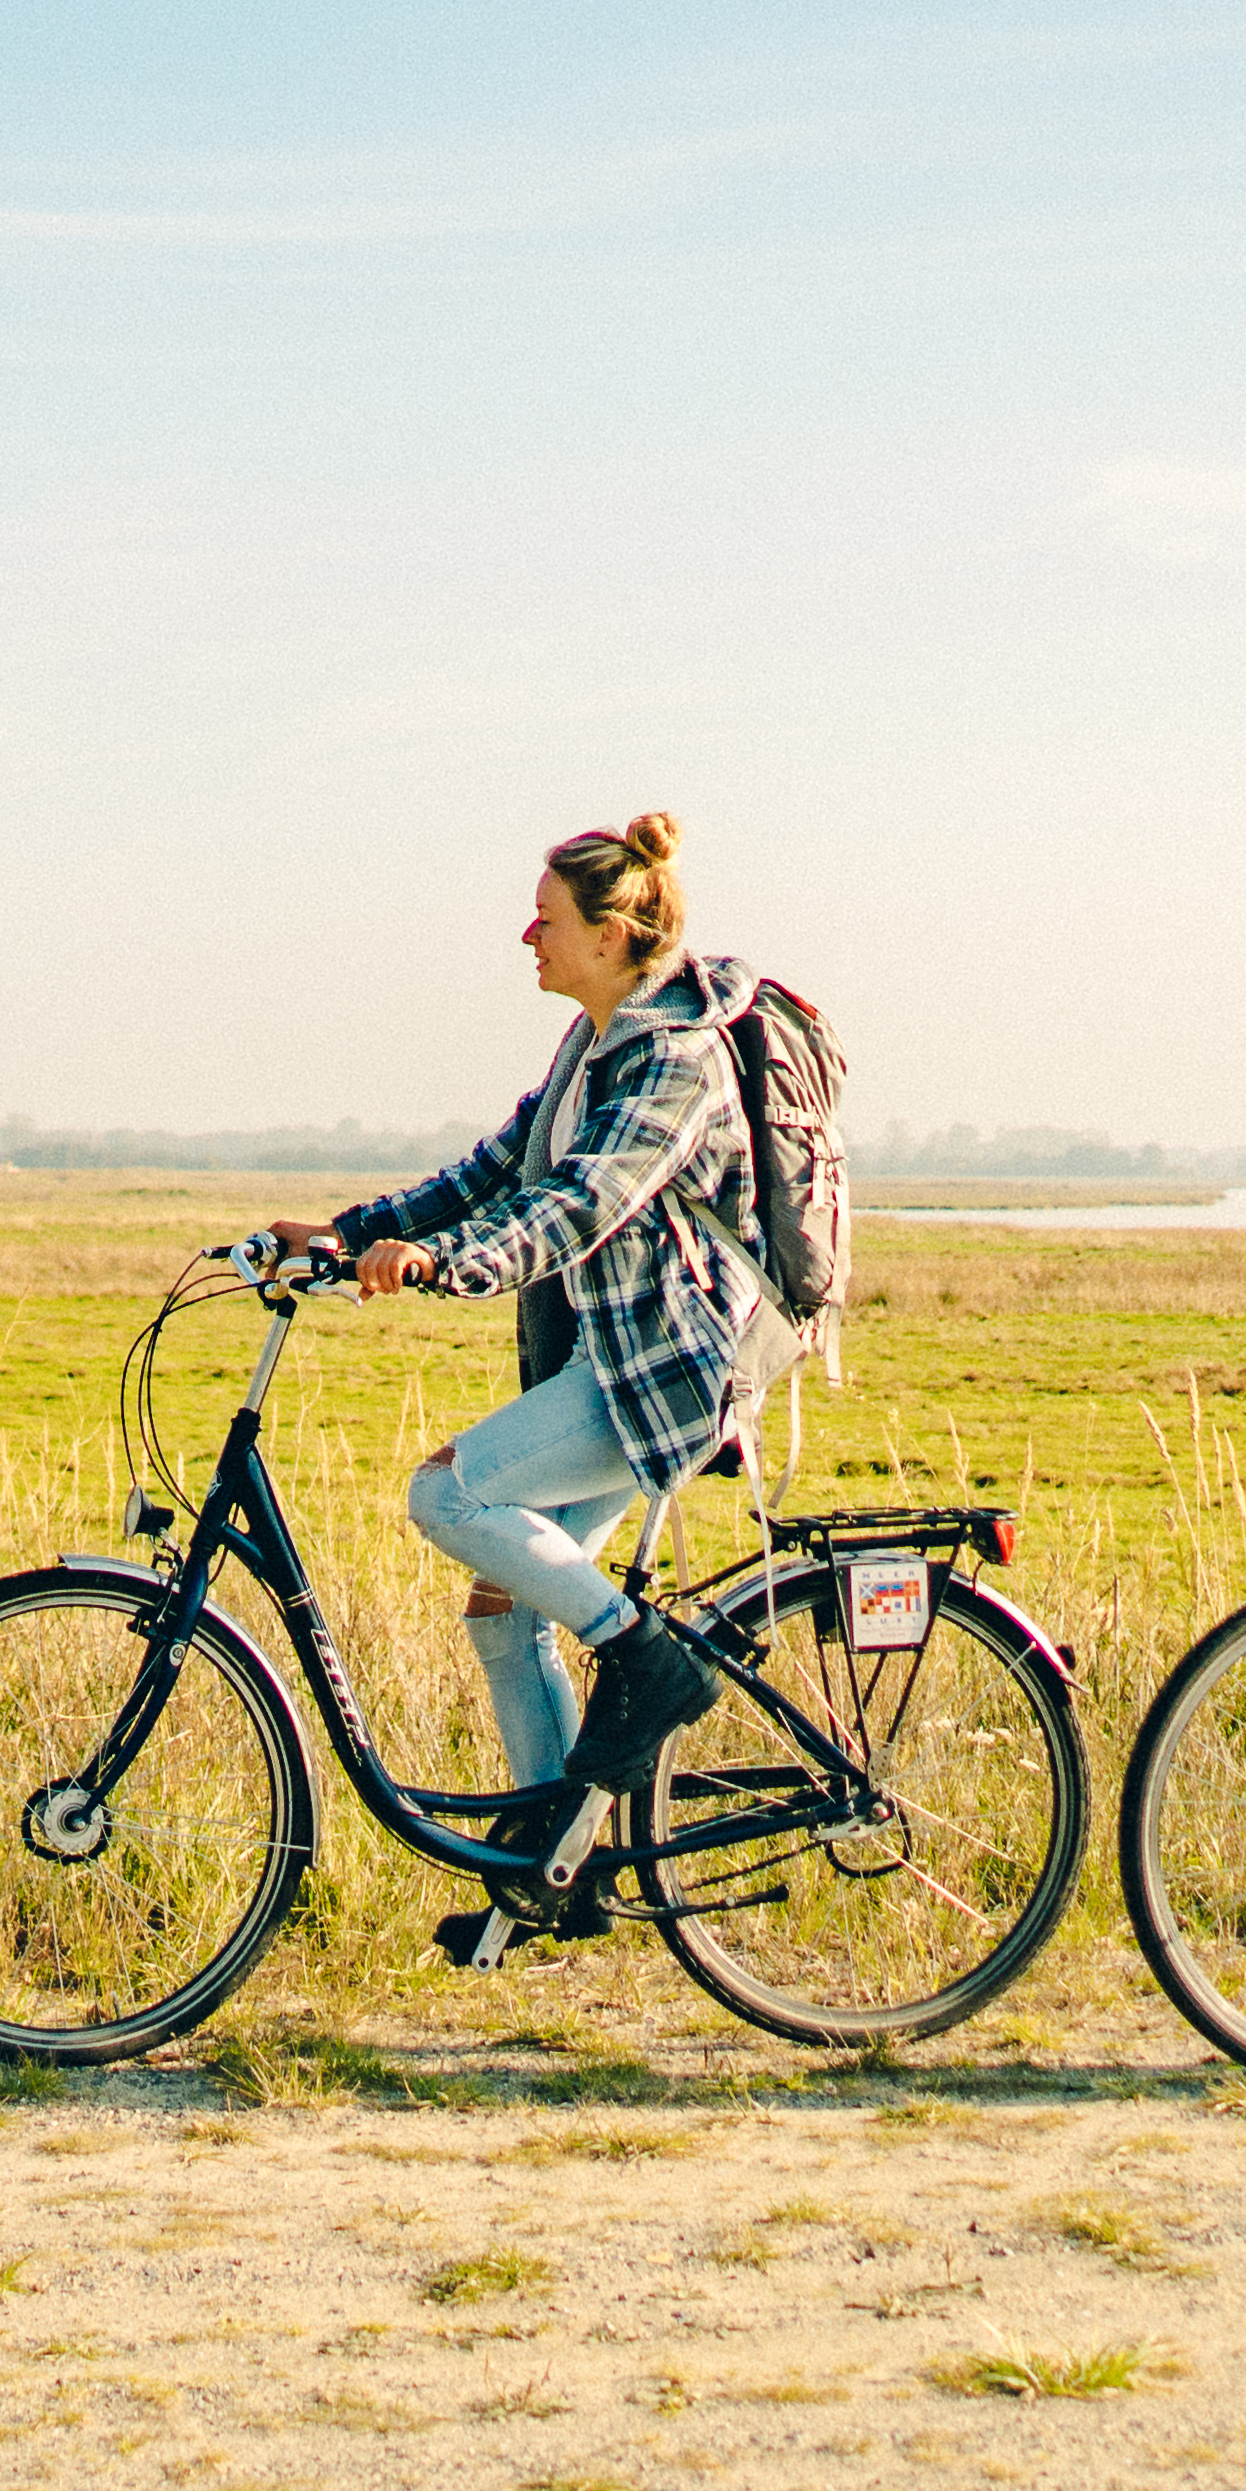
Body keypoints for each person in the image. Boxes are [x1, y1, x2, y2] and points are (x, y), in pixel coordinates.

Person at [295, 813, 774, 1963]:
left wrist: (447, 1264)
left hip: (663, 1370)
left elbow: (578, 1202)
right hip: (602, 1358)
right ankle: (560, 1871)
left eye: (547, 919)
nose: (526, 934)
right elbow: (501, 1167)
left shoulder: (674, 1057)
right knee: (502, 1605)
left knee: (449, 1497)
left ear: (612, 933)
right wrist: (349, 1233)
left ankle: (650, 1661)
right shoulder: (593, 1038)